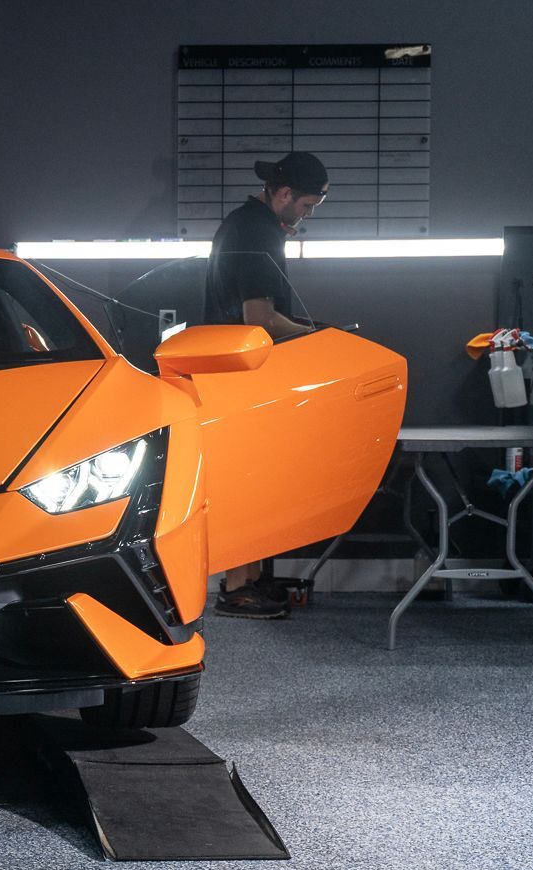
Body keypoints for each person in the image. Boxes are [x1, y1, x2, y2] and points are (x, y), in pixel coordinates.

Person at [204, 151, 329, 619]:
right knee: (246, 478)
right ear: (283, 195)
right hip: (240, 376)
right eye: (306, 206)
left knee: (248, 476)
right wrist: (321, 335)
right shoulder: (259, 235)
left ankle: (249, 580)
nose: (306, 215)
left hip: (227, 373)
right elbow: (261, 321)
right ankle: (238, 588)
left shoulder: (242, 224)